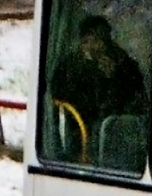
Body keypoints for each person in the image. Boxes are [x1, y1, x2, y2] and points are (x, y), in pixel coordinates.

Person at [48, 14, 144, 155]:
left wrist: (114, 78)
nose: (98, 46)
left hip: (115, 133)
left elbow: (134, 99)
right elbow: (58, 95)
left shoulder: (123, 64)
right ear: (83, 42)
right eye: (91, 41)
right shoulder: (70, 66)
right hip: (78, 131)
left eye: (102, 40)